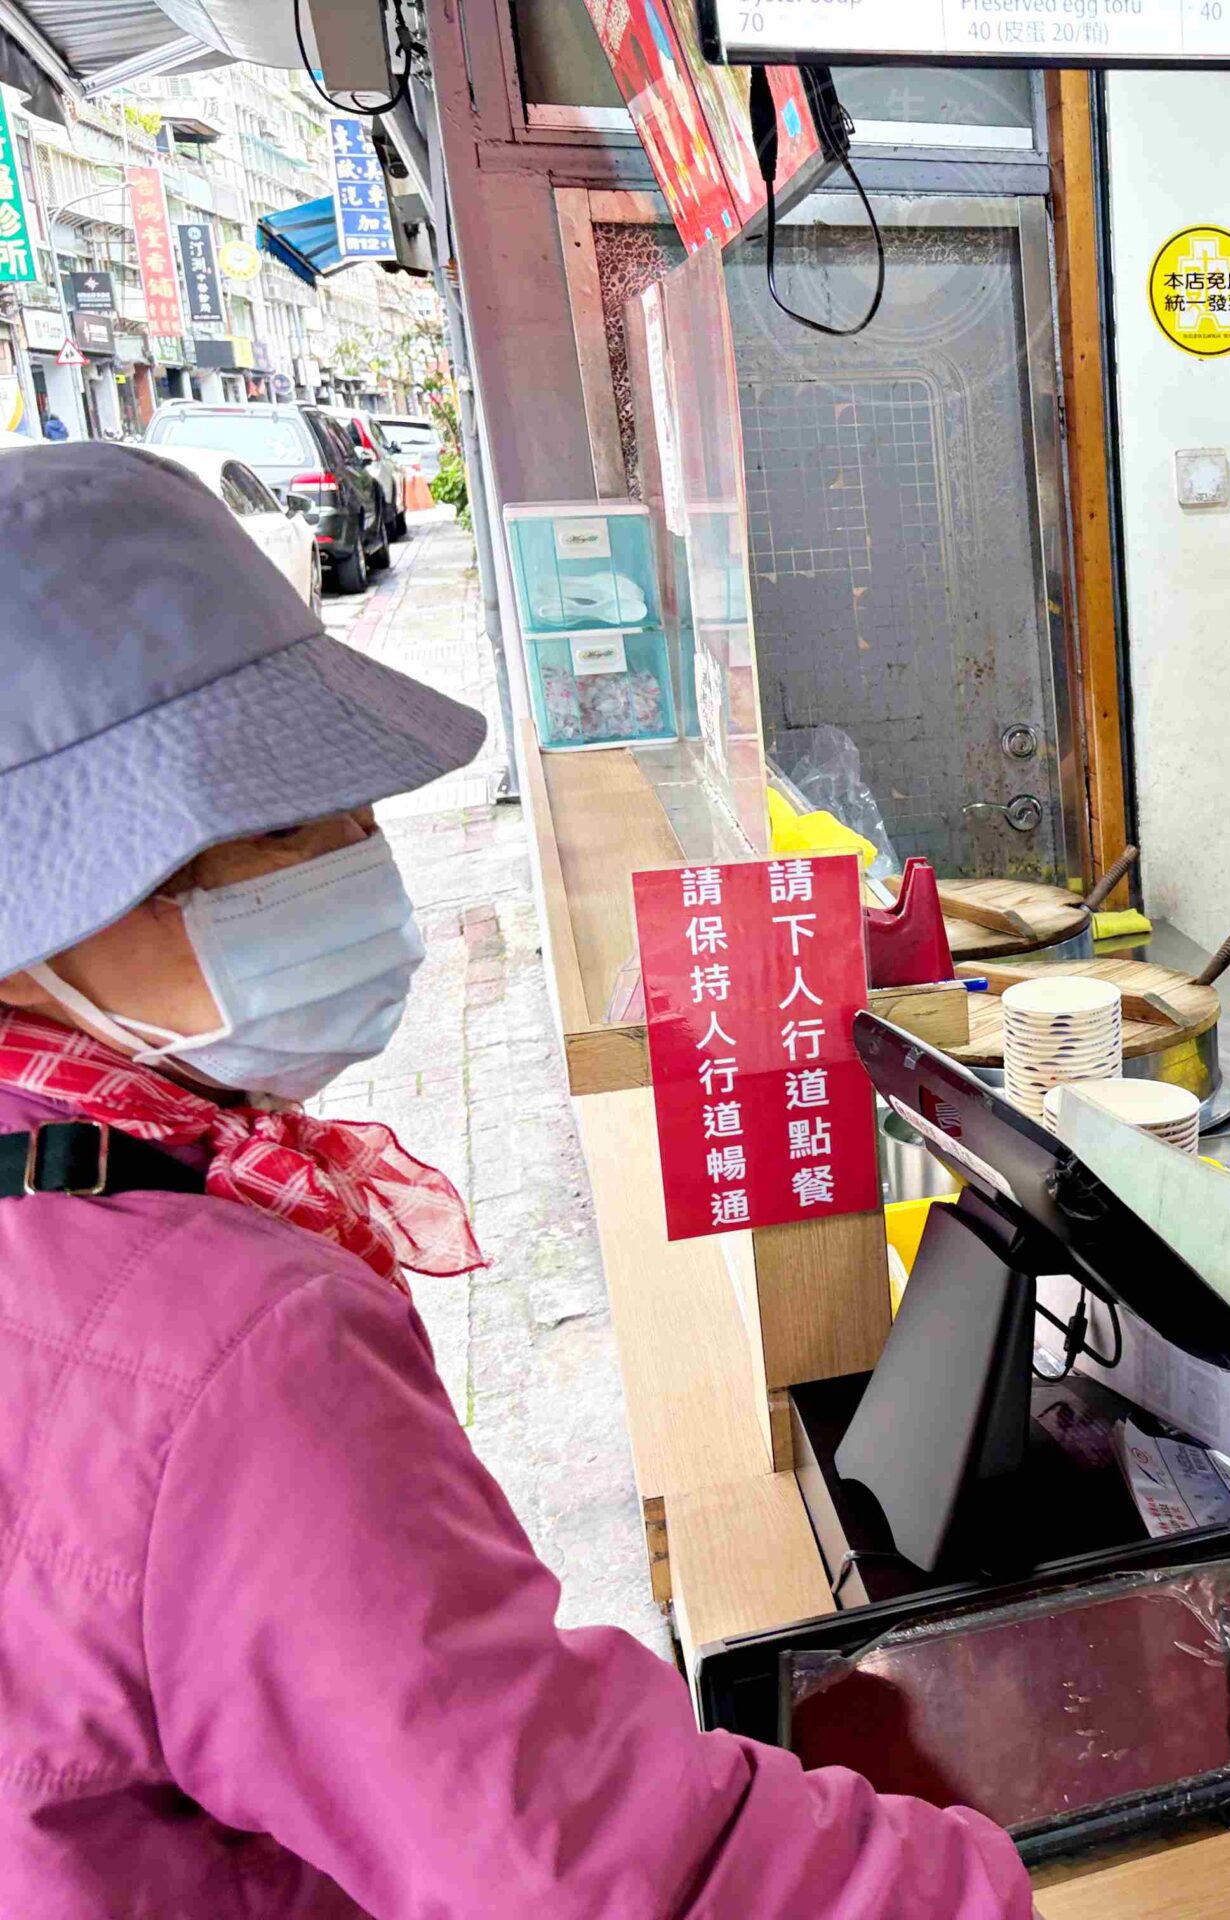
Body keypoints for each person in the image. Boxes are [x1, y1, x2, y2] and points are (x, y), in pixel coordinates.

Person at [0, 445, 1031, 1919]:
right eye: (276, 829)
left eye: (351, 808)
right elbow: (575, 1864)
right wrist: (982, 1885)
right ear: (44, 915)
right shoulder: (232, 1342)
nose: (359, 861)